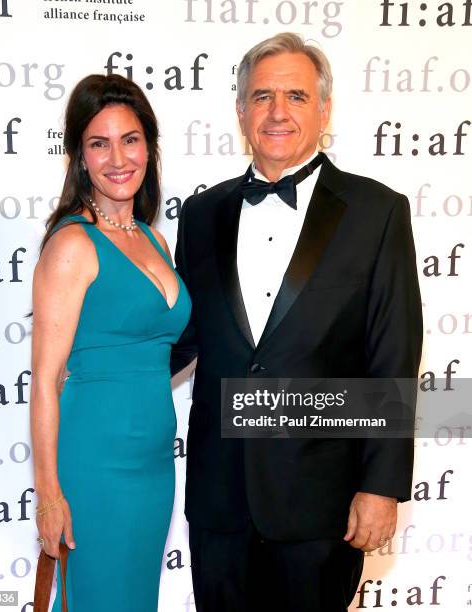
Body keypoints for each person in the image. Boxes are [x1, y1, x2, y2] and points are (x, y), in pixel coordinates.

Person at [171, 33, 422, 611]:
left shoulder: (377, 212)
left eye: (296, 96)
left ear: (325, 108)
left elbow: (393, 354)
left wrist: (381, 485)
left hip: (322, 504)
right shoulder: (202, 215)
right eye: (261, 97)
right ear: (240, 112)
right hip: (220, 502)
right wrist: (95, 371)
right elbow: (183, 338)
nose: (277, 112)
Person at [30, 74, 191, 612]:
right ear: (79, 157)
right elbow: (48, 379)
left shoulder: (153, 238)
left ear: (149, 147)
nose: (117, 157)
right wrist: (50, 495)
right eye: (99, 143)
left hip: (152, 466)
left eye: (130, 139)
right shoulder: (74, 244)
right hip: (95, 463)